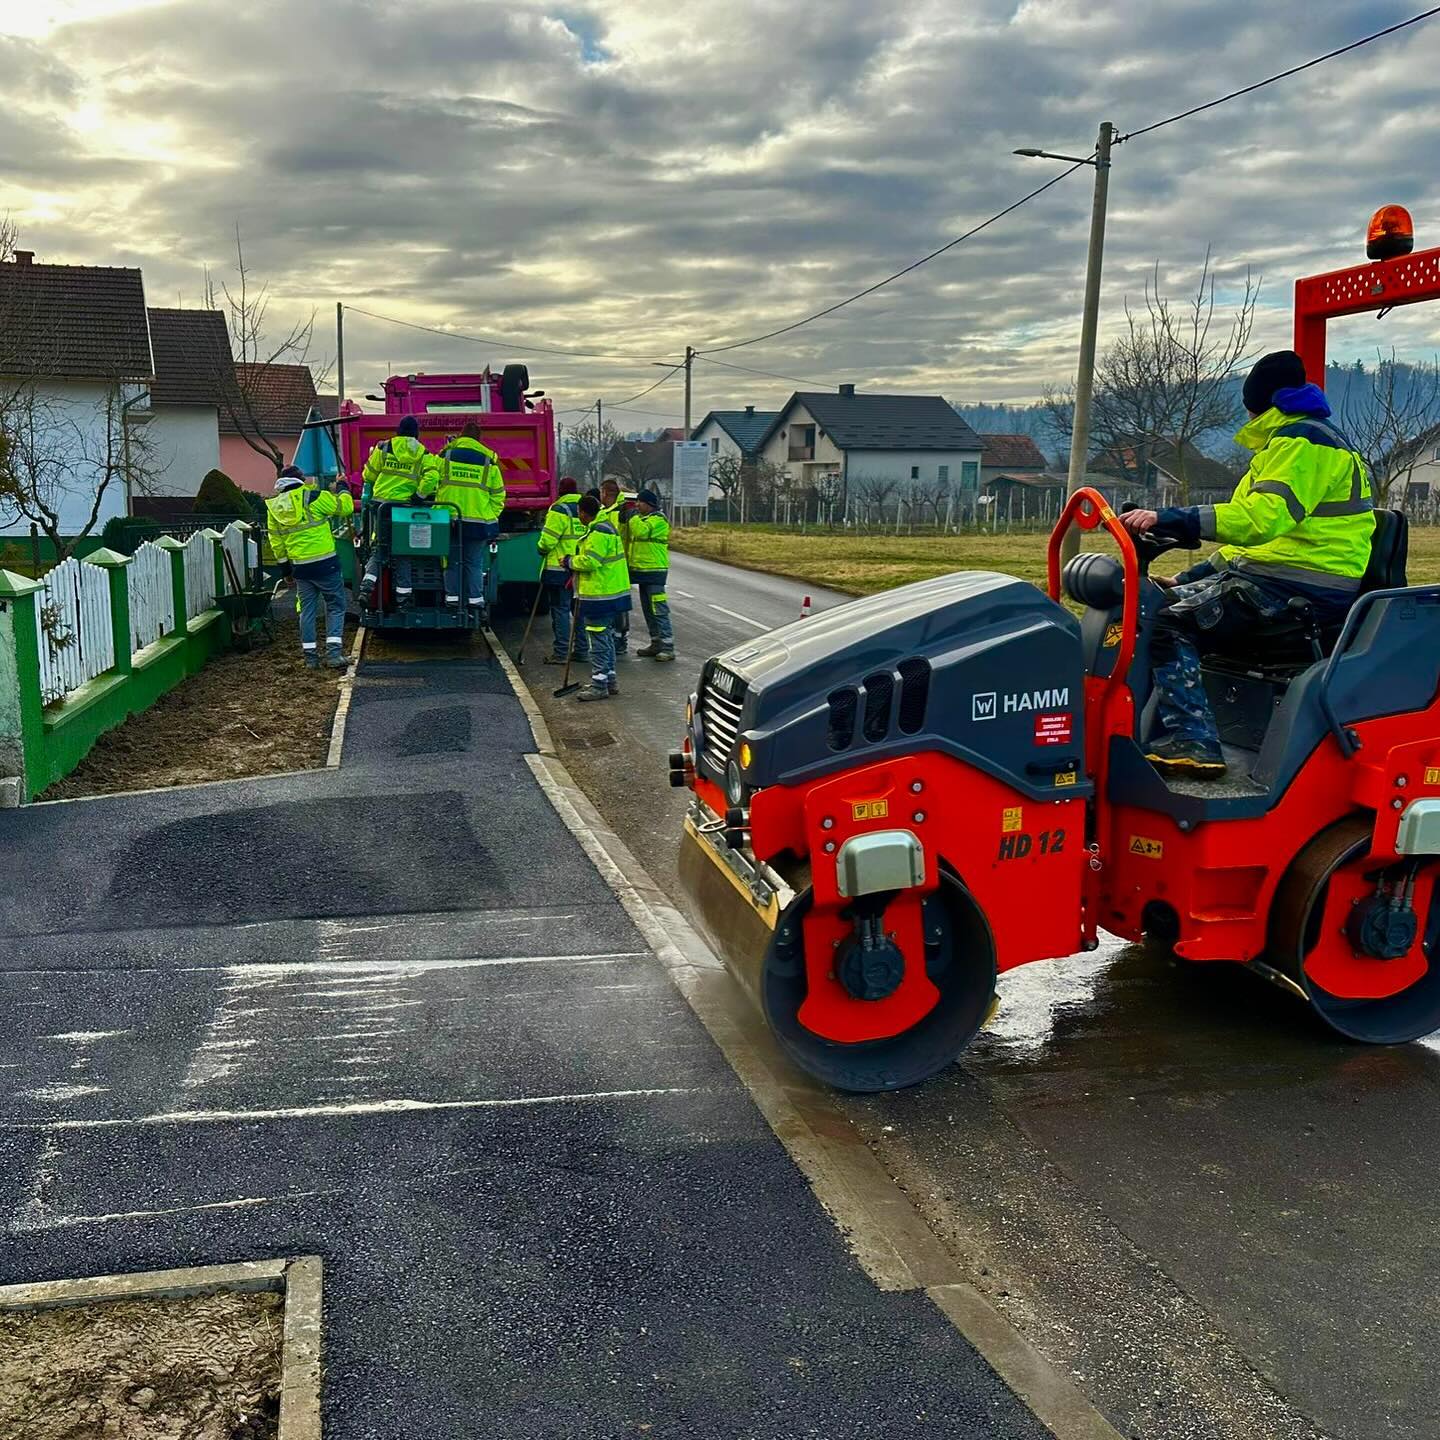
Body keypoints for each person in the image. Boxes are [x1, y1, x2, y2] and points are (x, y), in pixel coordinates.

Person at [1120, 350, 1374, 778]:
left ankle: (1196, 742)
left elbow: (1259, 522)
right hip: (1276, 579)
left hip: (1305, 589)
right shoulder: (1283, 445)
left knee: (1172, 623)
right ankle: (1147, 735)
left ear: (1261, 401)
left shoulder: (1304, 444)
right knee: (1155, 605)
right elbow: (1249, 547)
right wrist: (1186, 578)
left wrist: (1170, 517)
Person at [266, 464, 354, 671]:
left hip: (300, 568)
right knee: (335, 606)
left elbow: (277, 543)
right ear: (301, 480)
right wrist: (342, 487)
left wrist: (286, 571)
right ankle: (334, 655)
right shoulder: (314, 497)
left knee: (307, 611)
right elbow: (345, 508)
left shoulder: (274, 507)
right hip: (326, 564)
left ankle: (310, 659)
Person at [424, 421, 505, 616]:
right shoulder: (489, 463)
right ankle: (475, 602)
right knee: (474, 563)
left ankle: (453, 601)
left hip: (449, 520)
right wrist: (489, 515)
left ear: (461, 436)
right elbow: (499, 496)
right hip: (478, 523)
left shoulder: (446, 456)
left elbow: (431, 479)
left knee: (451, 561)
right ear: (479, 439)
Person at [359, 415, 437, 608]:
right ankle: (404, 598)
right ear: (416, 433)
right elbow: (432, 477)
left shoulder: (383, 447)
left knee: (380, 548)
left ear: (399, 431)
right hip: (404, 509)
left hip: (381, 506)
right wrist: (419, 496)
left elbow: (368, 475)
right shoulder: (422, 452)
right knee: (403, 551)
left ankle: (367, 586)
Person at [567, 493, 631, 701]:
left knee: (598, 642)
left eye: (579, 512)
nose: (579, 516)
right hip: (610, 594)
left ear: (583, 513)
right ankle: (609, 681)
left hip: (600, 596)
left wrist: (569, 561)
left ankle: (599, 685)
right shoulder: (605, 528)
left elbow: (591, 562)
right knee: (606, 638)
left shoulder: (598, 532)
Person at [536, 477, 589, 664]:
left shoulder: (559, 510)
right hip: (580, 568)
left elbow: (547, 541)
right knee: (578, 611)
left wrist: (541, 549)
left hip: (559, 570)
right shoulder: (586, 509)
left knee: (560, 610)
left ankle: (561, 653)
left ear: (560, 491)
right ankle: (582, 650)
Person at [627, 488, 675, 660]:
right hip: (642, 571)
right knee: (648, 610)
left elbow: (641, 532)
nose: (637, 505)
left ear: (650, 504)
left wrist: (631, 516)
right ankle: (656, 643)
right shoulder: (643, 519)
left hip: (655, 572)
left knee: (659, 610)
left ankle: (668, 648)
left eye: (640, 502)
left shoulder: (658, 520)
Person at [598, 478, 638, 655]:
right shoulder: (606, 511)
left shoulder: (620, 512)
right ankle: (614, 638)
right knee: (611, 603)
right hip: (607, 566)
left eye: (601, 492)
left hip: (618, 565)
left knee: (619, 605)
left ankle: (620, 639)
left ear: (605, 493)